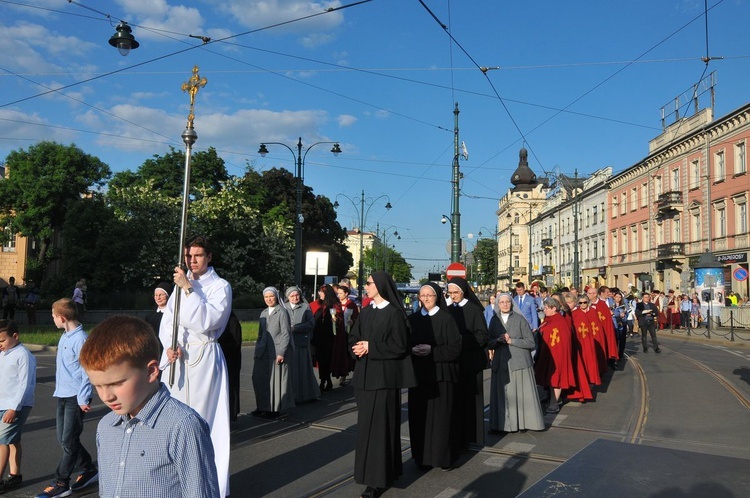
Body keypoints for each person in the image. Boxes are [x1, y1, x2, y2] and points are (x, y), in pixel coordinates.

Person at [79, 316, 219, 498]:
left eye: (117, 383)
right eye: (97, 386)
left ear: (151, 371)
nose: (106, 396)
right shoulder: (106, 426)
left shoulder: (182, 426)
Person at [159, 235, 232, 498]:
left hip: (203, 358)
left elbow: (207, 321)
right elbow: (168, 321)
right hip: (177, 359)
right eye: (189, 256)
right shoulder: (179, 286)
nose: (192, 260)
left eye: (198, 255)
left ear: (209, 257)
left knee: (201, 423)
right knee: (173, 422)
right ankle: (175, 483)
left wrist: (189, 289)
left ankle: (206, 487)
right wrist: (169, 344)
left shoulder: (221, 287)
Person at [349, 271, 416, 498]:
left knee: (380, 431)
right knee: (366, 431)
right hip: (364, 379)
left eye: (368, 283)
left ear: (379, 285)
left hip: (384, 380)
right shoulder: (366, 311)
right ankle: (368, 474)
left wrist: (371, 346)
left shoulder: (394, 314)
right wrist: (356, 348)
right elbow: (353, 336)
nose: (365, 287)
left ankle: (378, 480)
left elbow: (399, 346)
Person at [36, 298, 98, 498]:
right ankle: (88, 468)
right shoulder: (65, 336)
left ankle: (61, 482)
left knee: (68, 441)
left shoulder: (81, 340)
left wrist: (84, 397)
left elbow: (87, 371)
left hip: (75, 397)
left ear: (62, 318)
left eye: (53, 316)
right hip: (62, 394)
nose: (52, 319)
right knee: (65, 440)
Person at [407, 282, 462, 470]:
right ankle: (421, 457)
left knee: (441, 419)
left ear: (436, 297)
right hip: (419, 376)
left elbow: (455, 348)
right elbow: (404, 343)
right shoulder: (413, 319)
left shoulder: (446, 319)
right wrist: (411, 349)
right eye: (422, 296)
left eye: (429, 295)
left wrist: (433, 351)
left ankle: (442, 457)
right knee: (419, 418)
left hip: (441, 375)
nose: (425, 299)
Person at [488, 293, 545, 432]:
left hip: (519, 362)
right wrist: (497, 341)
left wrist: (511, 341)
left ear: (511, 303)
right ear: (498, 305)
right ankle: (501, 425)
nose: (505, 304)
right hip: (501, 362)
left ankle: (521, 424)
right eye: (502, 302)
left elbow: (531, 342)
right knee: (503, 396)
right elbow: (488, 342)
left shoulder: (520, 319)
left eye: (507, 302)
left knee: (519, 396)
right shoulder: (494, 321)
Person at [446, 277, 489, 448]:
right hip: (454, 362)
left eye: (455, 292)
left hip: (470, 362)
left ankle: (471, 436)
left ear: (463, 292)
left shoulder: (474, 310)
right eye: (450, 293)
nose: (453, 296)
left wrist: (460, 340)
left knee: (470, 401)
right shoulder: (448, 309)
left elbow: (482, 336)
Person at [0, 320, 36, 494]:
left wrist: (14, 407)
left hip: (16, 405)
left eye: (1, 341)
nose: (0, 345)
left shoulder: (23, 355)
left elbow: (25, 384)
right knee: (12, 440)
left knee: (1, 442)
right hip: (2, 404)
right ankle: (15, 476)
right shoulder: (4, 353)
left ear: (15, 336)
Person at [252, 287, 294, 419]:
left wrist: (281, 352)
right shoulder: (264, 313)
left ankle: (273, 409)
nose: (269, 299)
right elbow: (260, 334)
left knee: (273, 382)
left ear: (276, 296)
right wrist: (257, 350)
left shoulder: (282, 312)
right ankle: (261, 406)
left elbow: (286, 334)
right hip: (263, 351)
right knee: (259, 379)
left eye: (271, 296)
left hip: (276, 351)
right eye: (266, 297)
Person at [534, 297, 576, 413]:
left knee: (556, 379)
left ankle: (554, 403)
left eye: (546, 308)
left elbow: (564, 341)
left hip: (557, 355)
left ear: (554, 308)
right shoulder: (549, 320)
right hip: (548, 354)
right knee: (550, 380)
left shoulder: (560, 321)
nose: (544, 310)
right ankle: (553, 400)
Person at [285, 286, 320, 403]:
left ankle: (308, 394)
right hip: (288, 343)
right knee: (291, 371)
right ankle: (292, 395)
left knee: (303, 370)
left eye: (297, 295)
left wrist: (296, 328)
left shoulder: (305, 307)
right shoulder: (284, 308)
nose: (295, 298)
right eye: (292, 296)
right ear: (288, 297)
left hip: (301, 343)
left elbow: (311, 323)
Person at [309, 284, 342, 392]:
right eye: (319, 291)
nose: (320, 293)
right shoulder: (315, 304)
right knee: (320, 359)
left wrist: (336, 319)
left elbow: (339, 320)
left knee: (326, 360)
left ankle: (325, 381)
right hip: (317, 336)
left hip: (329, 337)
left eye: (322, 292)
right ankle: (325, 380)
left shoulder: (335, 305)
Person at [218, 312, 242, 421]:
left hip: (230, 359)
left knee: (231, 387)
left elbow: (236, 342)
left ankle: (232, 413)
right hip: (224, 358)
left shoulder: (231, 320)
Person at [333, 284, 357, 386]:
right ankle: (340, 371)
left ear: (346, 294)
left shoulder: (351, 305)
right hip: (337, 332)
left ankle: (345, 374)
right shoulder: (336, 304)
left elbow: (356, 318)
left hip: (348, 332)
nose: (338, 295)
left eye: (340, 293)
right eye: (337, 293)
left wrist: (353, 321)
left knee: (347, 353)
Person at [612, 291, 628, 366]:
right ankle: (614, 356)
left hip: (622, 325)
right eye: (616, 297)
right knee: (615, 341)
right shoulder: (611, 305)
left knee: (622, 341)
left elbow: (625, 317)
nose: (618, 299)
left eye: (619, 297)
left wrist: (623, 315)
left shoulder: (624, 306)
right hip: (614, 325)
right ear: (614, 297)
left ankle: (620, 355)